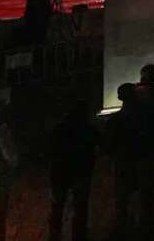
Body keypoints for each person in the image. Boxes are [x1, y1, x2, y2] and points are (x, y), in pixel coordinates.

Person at [113, 65, 154, 234]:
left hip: (127, 154)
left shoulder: (122, 114)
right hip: (147, 151)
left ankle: (123, 222)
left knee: (124, 192)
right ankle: (146, 223)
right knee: (146, 189)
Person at [49, 97, 98, 241]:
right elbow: (105, 145)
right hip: (81, 175)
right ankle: (78, 237)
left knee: (57, 210)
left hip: (60, 176)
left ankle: (55, 237)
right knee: (80, 210)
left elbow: (51, 152)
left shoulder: (59, 129)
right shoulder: (88, 129)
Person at [0, 102, 18, 240]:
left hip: (0, 182)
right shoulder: (2, 132)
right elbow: (13, 159)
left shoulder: (2, 132)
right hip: (0, 182)